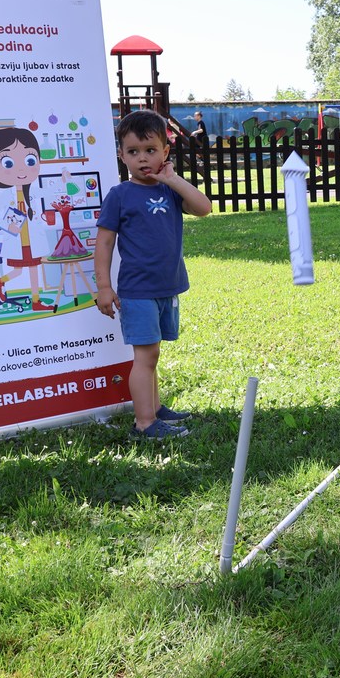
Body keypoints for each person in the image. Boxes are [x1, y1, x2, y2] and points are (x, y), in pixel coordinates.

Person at [95, 110, 213, 439]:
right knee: (144, 356)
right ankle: (144, 423)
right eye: (133, 152)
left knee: (153, 353)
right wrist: (104, 287)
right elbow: (104, 244)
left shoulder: (170, 189)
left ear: (165, 152)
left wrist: (172, 179)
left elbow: (204, 209)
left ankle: (156, 408)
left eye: (150, 150)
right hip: (138, 291)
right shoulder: (120, 195)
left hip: (166, 288)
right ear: (121, 155)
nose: (143, 159)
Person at [0, 127, 54, 312]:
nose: (22, 169)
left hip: (31, 240)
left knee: (32, 269)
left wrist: (64, 180)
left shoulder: (32, 191)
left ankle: (36, 302)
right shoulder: (7, 195)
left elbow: (50, 192)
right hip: (18, 240)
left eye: (30, 160)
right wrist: (8, 225)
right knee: (19, 270)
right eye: (8, 163)